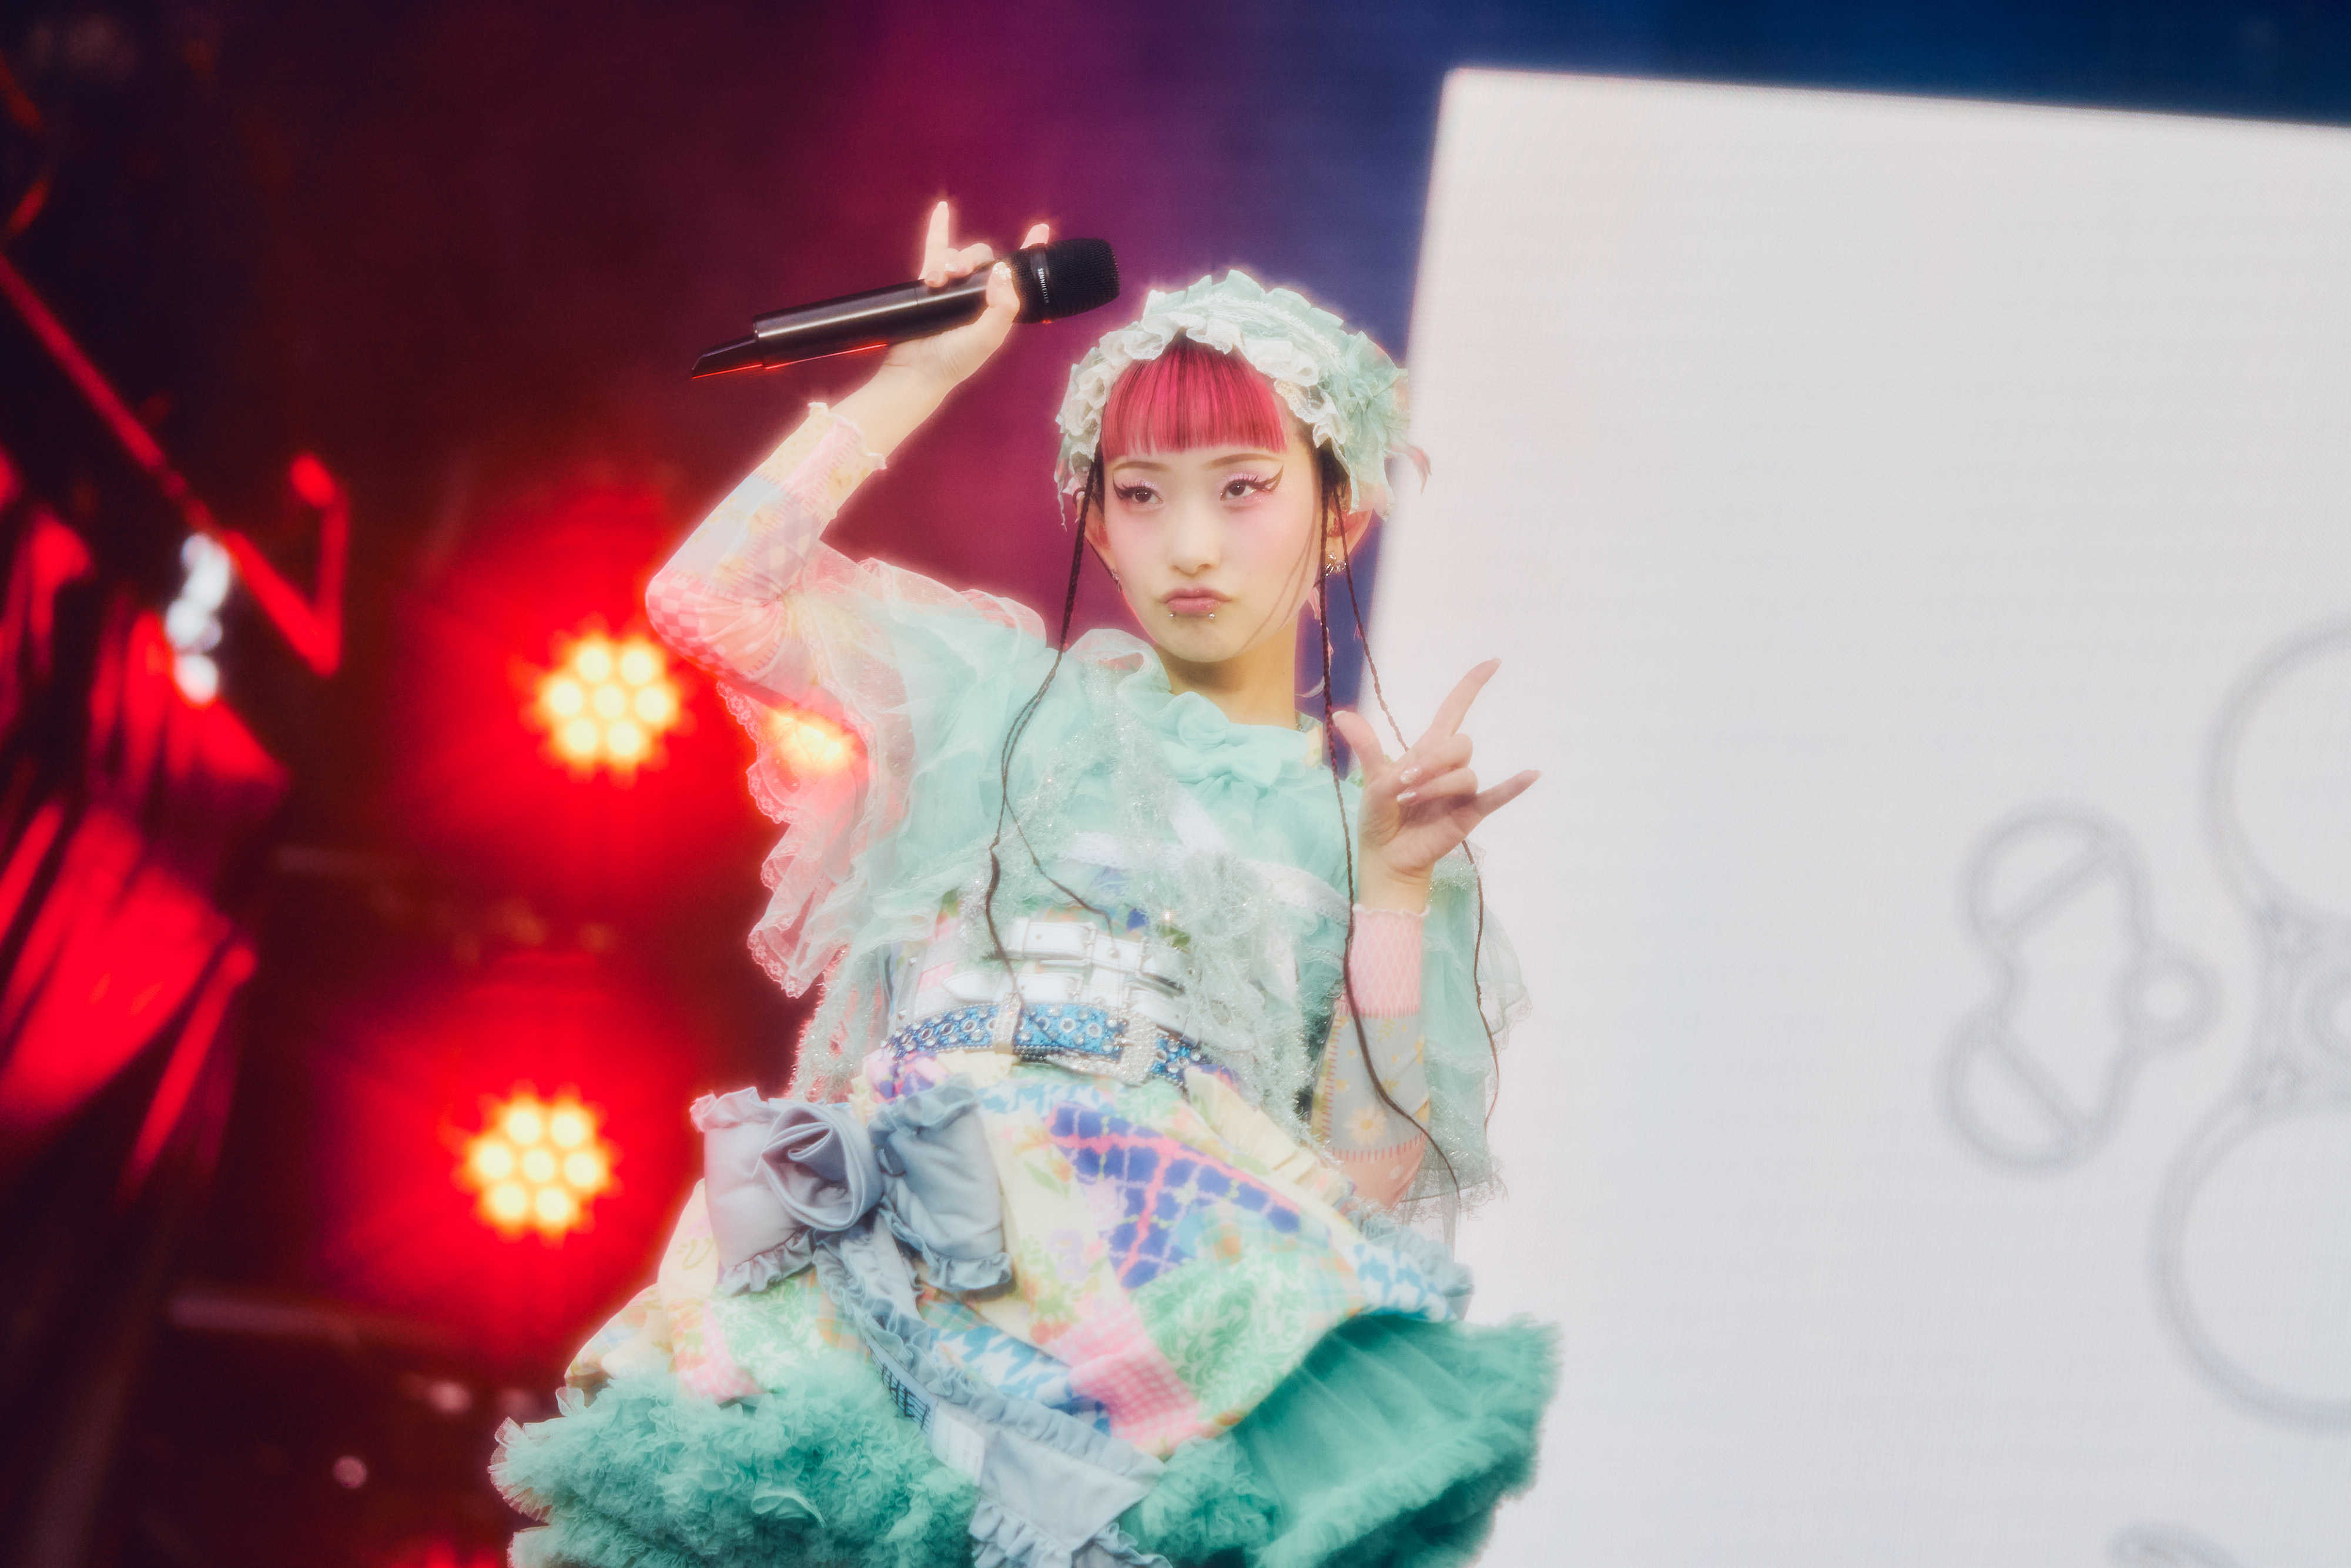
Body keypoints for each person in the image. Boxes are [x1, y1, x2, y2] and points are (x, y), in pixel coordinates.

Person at [493, 202, 1555, 1568]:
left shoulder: (1368, 834)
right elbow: (706, 602)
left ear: (1337, 510)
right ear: (1094, 525)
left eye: (1242, 487)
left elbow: (1364, 1188)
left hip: (1146, 1321)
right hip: (891, 1266)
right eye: (1140, 494)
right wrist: (919, 371)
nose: (1188, 543)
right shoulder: (995, 697)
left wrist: (1397, 885)